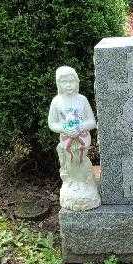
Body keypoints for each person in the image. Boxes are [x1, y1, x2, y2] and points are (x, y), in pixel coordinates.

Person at [48, 66, 101, 211]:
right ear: (59, 84)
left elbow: (92, 122)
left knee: (82, 159)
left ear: (77, 82)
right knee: (69, 160)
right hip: (67, 140)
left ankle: (85, 181)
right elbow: (52, 123)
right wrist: (64, 128)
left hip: (82, 139)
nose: (69, 85)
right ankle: (72, 181)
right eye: (64, 82)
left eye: (71, 81)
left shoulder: (82, 100)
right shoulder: (56, 101)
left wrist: (80, 127)